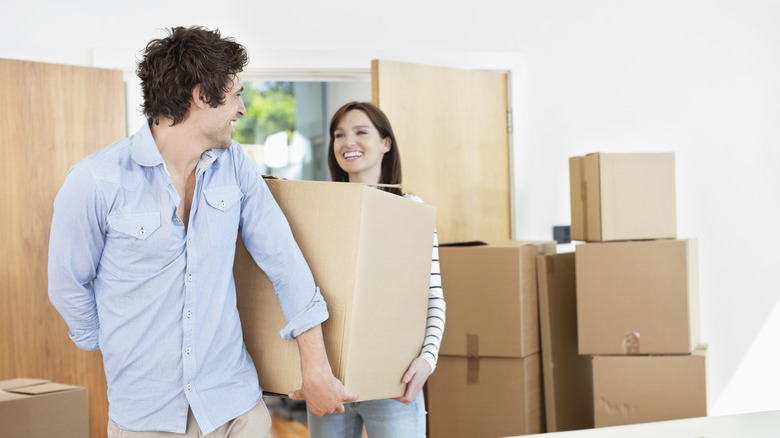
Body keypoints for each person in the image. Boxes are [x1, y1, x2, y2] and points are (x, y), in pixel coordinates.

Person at [47, 26, 357, 438]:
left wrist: (315, 367)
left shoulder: (235, 166)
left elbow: (285, 262)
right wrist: (115, 342)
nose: (242, 108)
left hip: (235, 405)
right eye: (236, 94)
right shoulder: (96, 181)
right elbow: (66, 286)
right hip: (146, 417)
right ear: (200, 96)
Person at [302, 101, 446, 438]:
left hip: (391, 381)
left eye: (360, 132)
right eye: (339, 135)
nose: (347, 142)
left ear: (385, 143)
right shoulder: (323, 213)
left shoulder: (411, 211)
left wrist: (427, 359)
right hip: (331, 379)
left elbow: (433, 296)